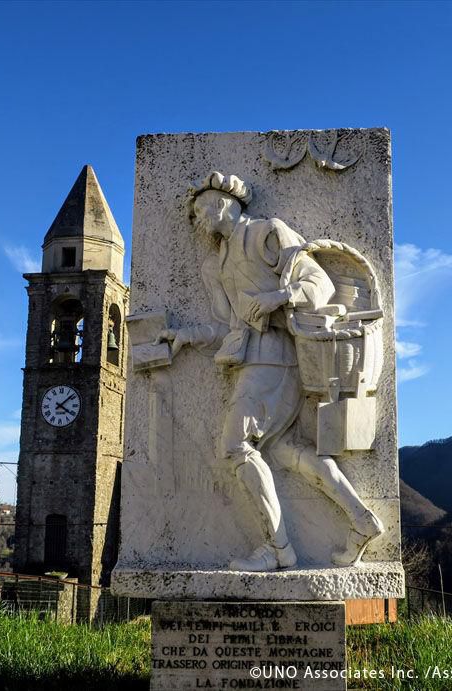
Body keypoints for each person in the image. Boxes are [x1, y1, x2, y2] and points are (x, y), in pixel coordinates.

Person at [156, 171, 384, 572]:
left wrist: (277, 297)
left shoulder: (267, 233)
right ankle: (361, 520)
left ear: (221, 203)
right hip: (255, 359)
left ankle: (278, 550)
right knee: (284, 451)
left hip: (275, 359)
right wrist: (186, 337)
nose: (198, 222)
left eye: (201, 212)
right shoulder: (216, 266)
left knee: (235, 446)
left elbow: (320, 286)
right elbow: (229, 328)